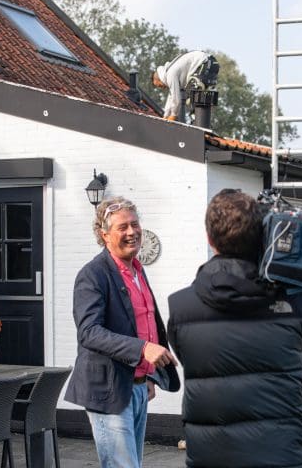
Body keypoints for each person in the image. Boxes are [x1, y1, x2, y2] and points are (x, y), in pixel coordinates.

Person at [167, 189, 302, 468]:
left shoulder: (181, 307)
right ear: (261, 236)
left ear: (209, 239)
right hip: (284, 456)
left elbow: (194, 360)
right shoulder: (292, 301)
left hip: (212, 457)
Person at [64, 196, 180, 468]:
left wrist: (147, 375)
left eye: (135, 224)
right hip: (109, 390)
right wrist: (143, 349)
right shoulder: (93, 274)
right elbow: (89, 332)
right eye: (122, 227)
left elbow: (143, 323)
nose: (132, 232)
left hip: (136, 386)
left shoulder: (137, 269)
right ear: (104, 235)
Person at [152, 50, 219, 122]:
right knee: (203, 97)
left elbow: (176, 99)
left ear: (160, 78)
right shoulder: (169, 71)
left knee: (192, 94)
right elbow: (171, 97)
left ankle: (196, 120)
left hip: (205, 63)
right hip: (213, 64)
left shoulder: (170, 74)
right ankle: (203, 121)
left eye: (160, 86)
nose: (163, 88)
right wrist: (165, 116)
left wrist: (173, 116)